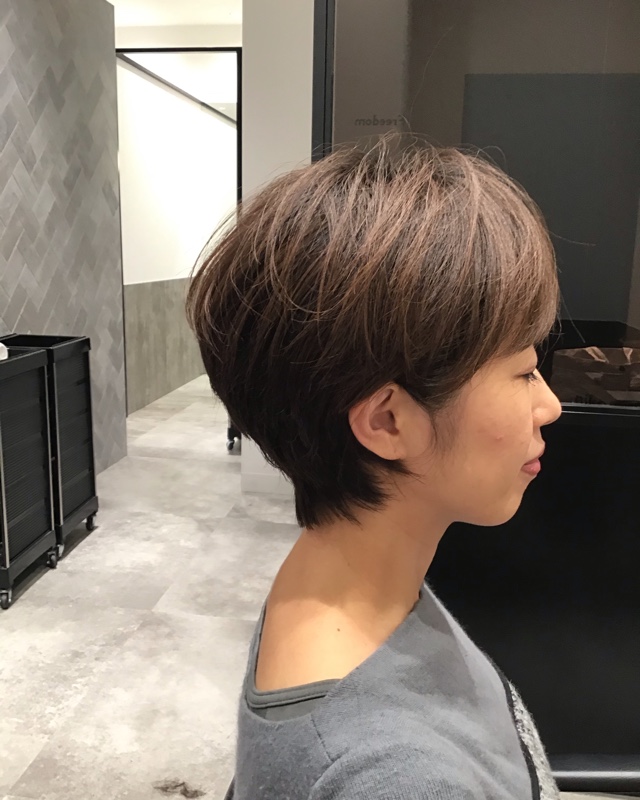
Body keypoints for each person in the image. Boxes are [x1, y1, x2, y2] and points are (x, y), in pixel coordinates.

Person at [187, 134, 563, 800]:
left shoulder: (334, 579)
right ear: (388, 421)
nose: (550, 406)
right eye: (525, 372)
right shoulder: (401, 779)